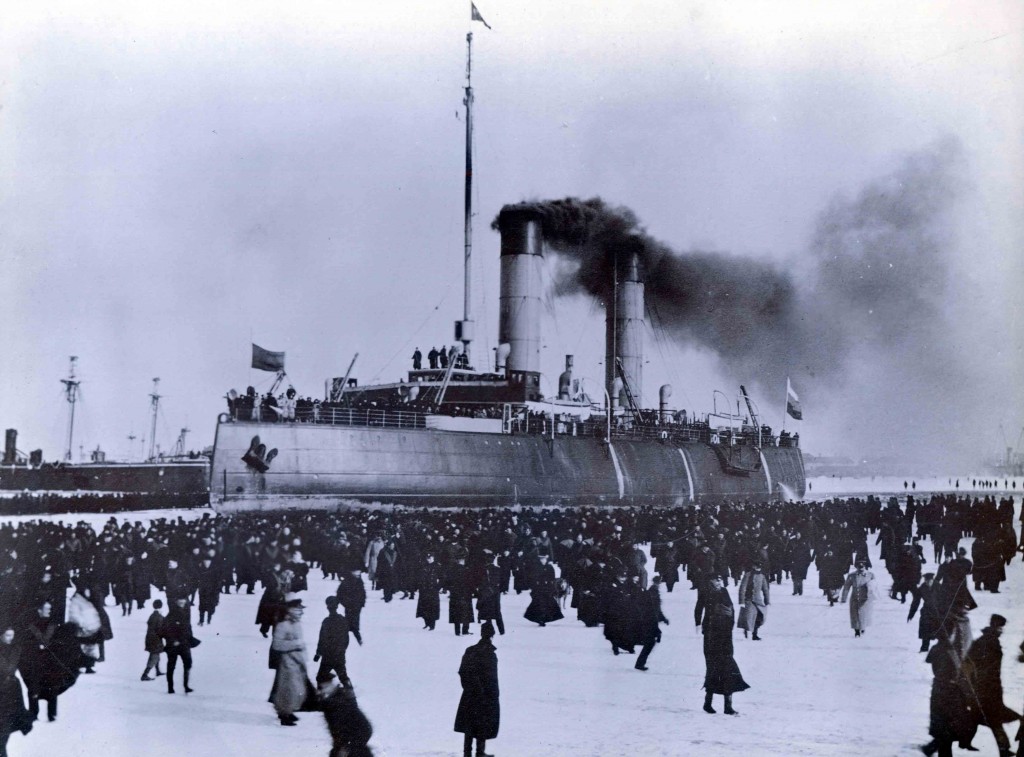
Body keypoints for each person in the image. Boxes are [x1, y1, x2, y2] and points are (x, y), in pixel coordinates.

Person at [959, 614, 1019, 756]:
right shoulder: (987, 642)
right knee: (993, 719)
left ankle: (962, 741)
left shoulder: (989, 641)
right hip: (986, 689)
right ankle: (1003, 749)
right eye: (999, 628)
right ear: (994, 627)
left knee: (978, 717)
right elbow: (969, 663)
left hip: (989, 688)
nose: (1001, 630)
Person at [694, 575, 748, 715]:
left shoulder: (724, 591)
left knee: (727, 668)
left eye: (720, 580)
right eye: (716, 580)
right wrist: (698, 624)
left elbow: (731, 609)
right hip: (712, 634)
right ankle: (712, 704)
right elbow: (698, 608)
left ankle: (723, 706)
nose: (719, 582)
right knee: (714, 669)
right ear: (710, 581)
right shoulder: (705, 591)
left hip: (725, 634)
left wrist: (731, 624)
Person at [455, 621, 499, 757]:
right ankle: (480, 752)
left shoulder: (470, 650)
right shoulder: (490, 654)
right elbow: (491, 677)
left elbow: (462, 671)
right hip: (485, 694)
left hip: (469, 694)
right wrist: (493, 694)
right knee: (482, 723)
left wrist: (468, 687)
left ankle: (467, 753)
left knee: (469, 723)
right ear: (492, 635)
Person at [269, 595, 312, 726]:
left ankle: (288, 711)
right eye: (298, 609)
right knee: (288, 689)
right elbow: (277, 645)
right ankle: (284, 714)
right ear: (290, 610)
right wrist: (296, 644)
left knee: (297, 688)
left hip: (297, 661)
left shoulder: (297, 624)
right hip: (287, 662)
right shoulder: (283, 625)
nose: (301, 612)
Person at [318, 672, 374, 757]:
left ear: (332, 685)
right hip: (343, 750)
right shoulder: (330, 704)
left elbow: (366, 729)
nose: (322, 691)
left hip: (355, 752)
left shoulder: (342, 702)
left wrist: (347, 747)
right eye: (321, 688)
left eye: (325, 687)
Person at [0, 627, 33, 757]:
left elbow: (14, 668)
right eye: (8, 635)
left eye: (12, 635)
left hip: (11, 691)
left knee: (5, 726)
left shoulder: (15, 649)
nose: (11, 638)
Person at [313, 596, 351, 686]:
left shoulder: (326, 622)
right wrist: (342, 650)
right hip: (339, 656)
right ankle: (351, 695)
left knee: (320, 678)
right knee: (344, 677)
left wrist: (318, 654)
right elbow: (346, 639)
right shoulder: (343, 620)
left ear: (327, 607)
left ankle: (321, 698)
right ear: (337, 606)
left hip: (328, 656)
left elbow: (322, 640)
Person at [162, 596, 195, 695]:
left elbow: (188, 628)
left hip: (184, 643)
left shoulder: (186, 612)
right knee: (172, 665)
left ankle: (186, 686)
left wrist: (190, 638)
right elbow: (166, 629)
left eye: (183, 600)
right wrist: (173, 640)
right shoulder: (171, 614)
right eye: (180, 600)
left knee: (188, 663)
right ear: (176, 601)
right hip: (174, 645)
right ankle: (170, 687)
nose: (182, 602)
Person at [635, 576, 669, 671]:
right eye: (658, 583)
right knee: (650, 642)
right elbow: (653, 609)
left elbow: (657, 609)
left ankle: (640, 663)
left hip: (652, 620)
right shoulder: (652, 593)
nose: (659, 585)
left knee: (650, 642)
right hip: (649, 621)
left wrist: (663, 618)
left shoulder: (654, 592)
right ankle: (639, 664)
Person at [841, 559, 877, 638]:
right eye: (859, 565)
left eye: (863, 564)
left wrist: (873, 596)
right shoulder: (852, 575)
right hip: (855, 597)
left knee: (864, 614)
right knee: (854, 615)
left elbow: (874, 587)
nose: (861, 566)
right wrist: (844, 598)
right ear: (856, 566)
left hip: (866, 599)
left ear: (865, 565)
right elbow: (846, 587)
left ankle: (863, 628)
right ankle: (857, 631)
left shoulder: (871, 575)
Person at [908, 573, 941, 653]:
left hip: (939, 611)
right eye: (926, 581)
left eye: (930, 581)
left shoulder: (939, 586)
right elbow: (916, 601)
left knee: (941, 630)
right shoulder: (922, 588)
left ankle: (942, 650)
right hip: (927, 611)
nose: (928, 583)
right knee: (925, 629)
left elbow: (946, 598)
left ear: (933, 580)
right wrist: (911, 613)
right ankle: (924, 649)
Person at [737, 562, 770, 640]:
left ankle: (754, 634)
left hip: (758, 600)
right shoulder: (748, 575)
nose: (758, 568)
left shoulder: (762, 576)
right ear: (753, 567)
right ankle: (747, 630)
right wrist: (741, 600)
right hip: (749, 599)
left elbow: (765, 589)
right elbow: (742, 588)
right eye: (756, 567)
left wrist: (767, 600)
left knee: (760, 617)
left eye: (759, 567)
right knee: (749, 617)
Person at [141, 599, 165, 681]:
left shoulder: (153, 615)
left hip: (150, 638)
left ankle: (157, 671)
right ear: (161, 606)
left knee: (156, 654)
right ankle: (145, 674)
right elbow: (160, 628)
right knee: (155, 656)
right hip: (155, 639)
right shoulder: (158, 616)